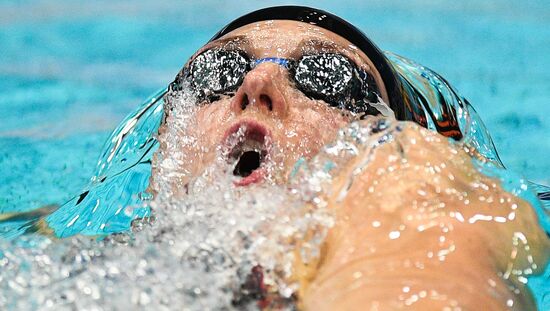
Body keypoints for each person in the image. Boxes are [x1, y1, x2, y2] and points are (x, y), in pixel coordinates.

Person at [1, 5, 549, 310]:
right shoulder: (53, 255)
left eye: (328, 78)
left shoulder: (435, 215)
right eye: (213, 75)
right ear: (162, 150)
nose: (257, 81)